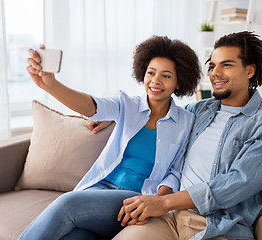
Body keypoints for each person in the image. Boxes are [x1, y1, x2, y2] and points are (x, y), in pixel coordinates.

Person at [104, 31, 262, 240]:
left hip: (216, 224)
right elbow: (158, 111)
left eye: (226, 65)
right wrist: (116, 116)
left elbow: (240, 181)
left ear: (250, 70)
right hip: (166, 217)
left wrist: (164, 202)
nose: (215, 73)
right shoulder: (197, 110)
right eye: (212, 66)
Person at [18, 36, 201, 239]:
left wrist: (155, 203)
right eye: (151, 72)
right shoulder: (126, 104)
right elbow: (94, 107)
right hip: (98, 188)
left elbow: (175, 172)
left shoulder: (185, 122)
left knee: (67, 203)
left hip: (134, 198)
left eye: (166, 76)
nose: (155, 80)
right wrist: (50, 85)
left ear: (179, 82)